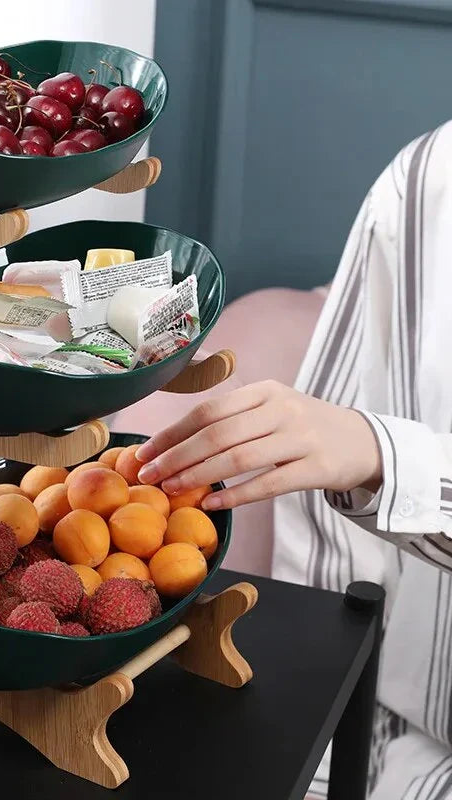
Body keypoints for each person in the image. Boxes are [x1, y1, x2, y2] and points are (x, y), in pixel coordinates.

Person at [135, 120, 452, 799]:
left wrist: (381, 457)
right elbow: (331, 549)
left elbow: (357, 448)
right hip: (397, 730)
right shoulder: (428, 176)